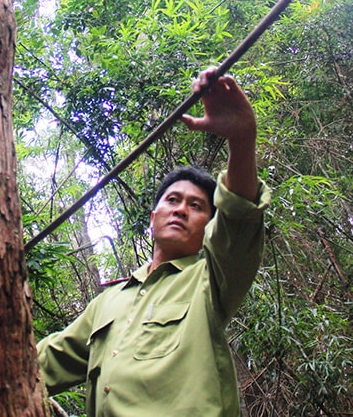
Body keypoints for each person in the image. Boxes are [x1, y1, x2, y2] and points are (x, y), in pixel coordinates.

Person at [36, 67, 272, 416]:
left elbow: (238, 217)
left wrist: (241, 138)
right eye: (172, 200)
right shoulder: (108, 302)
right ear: (153, 218)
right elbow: (42, 363)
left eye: (196, 206)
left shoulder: (210, 279)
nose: (181, 210)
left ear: (208, 225)